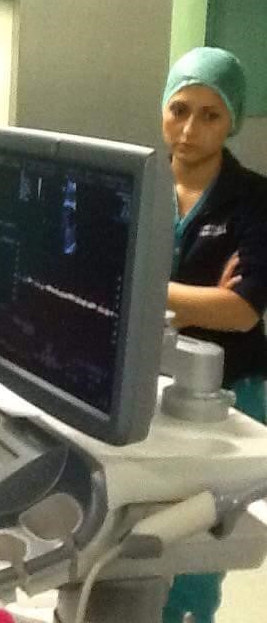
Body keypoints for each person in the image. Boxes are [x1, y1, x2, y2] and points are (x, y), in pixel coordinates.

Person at [160, 47, 267, 623]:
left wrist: (149, 293)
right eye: (179, 109)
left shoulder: (255, 199)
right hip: (147, 390)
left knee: (199, 554)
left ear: (233, 122)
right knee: (136, 540)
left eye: (210, 115)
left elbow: (242, 312)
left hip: (229, 397)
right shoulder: (135, 184)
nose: (189, 129)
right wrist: (202, 301)